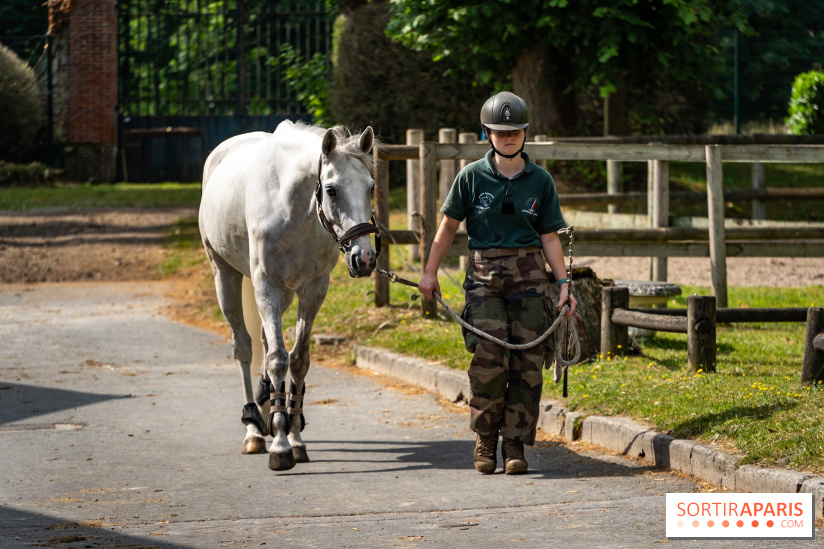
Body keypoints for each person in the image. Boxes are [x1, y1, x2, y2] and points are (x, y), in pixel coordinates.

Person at [418, 91, 577, 475]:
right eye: (500, 131)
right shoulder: (470, 176)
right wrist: (429, 272)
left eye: (515, 131)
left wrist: (563, 284)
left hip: (530, 278)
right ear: (486, 133)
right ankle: (486, 439)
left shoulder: (540, 180)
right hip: (484, 278)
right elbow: (447, 228)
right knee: (489, 361)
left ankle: (515, 445)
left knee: (528, 363)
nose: (508, 137)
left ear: (525, 134)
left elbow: (550, 237)